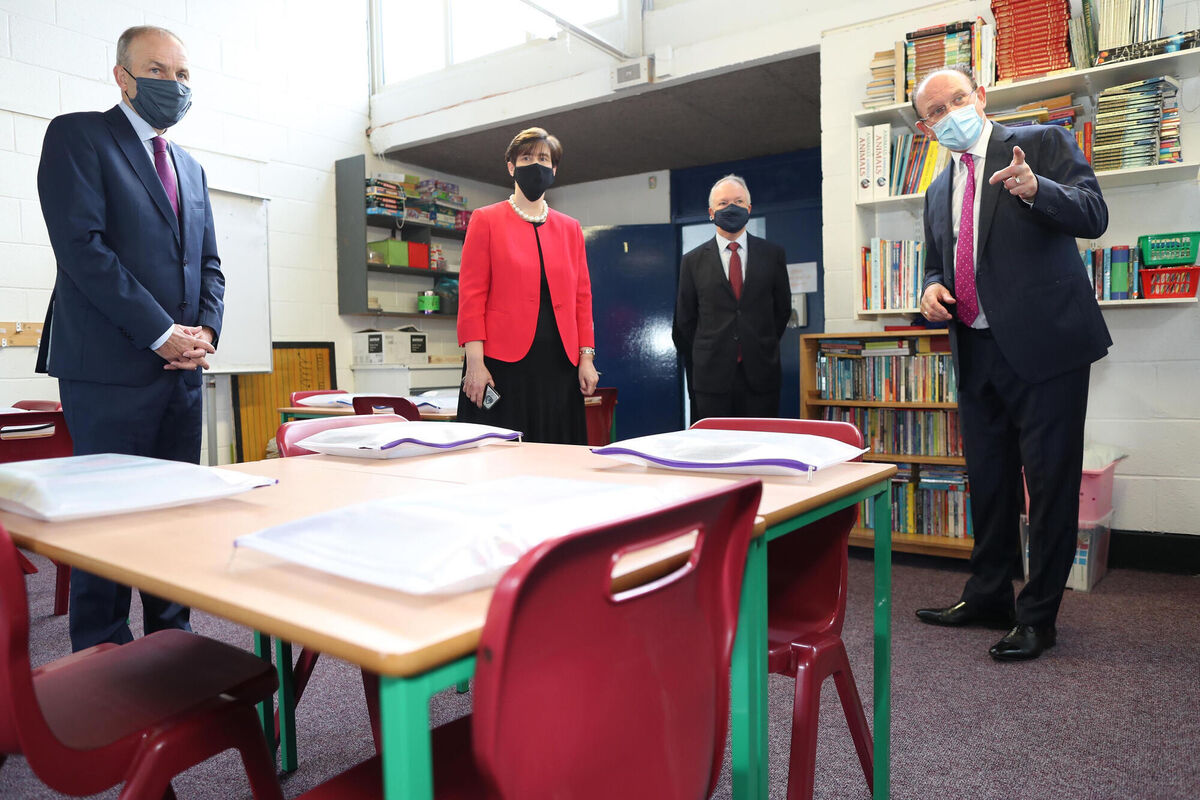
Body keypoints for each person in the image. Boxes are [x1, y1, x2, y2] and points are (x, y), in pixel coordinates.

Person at [911, 65, 1111, 661]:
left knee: (1049, 485)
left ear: (981, 97)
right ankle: (989, 594)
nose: (949, 115)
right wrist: (928, 289)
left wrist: (1036, 189)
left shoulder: (1042, 143)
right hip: (975, 349)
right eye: (934, 112)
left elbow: (1094, 216)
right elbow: (938, 265)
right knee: (991, 485)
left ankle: (1038, 616)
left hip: (1046, 348)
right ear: (924, 128)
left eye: (957, 100)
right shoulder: (936, 189)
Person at [36, 25, 224, 652]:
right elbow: (82, 250)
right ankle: (102, 654)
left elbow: (210, 265)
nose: (174, 85)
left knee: (172, 517)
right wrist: (160, 332)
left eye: (183, 74)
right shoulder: (79, 136)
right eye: (158, 71)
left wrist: (206, 332)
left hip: (182, 373)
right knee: (108, 524)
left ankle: (172, 642)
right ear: (122, 76)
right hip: (110, 371)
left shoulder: (191, 168)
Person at [456, 127, 599, 443]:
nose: (536, 164)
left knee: (559, 457)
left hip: (560, 366)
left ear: (554, 169)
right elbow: (471, 297)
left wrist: (586, 358)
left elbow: (582, 298)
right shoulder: (485, 219)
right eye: (526, 157)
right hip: (502, 366)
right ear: (511, 166)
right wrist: (475, 364)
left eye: (543, 158)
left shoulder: (571, 229)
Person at [672, 175, 791, 421]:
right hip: (710, 379)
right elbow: (684, 320)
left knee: (760, 450)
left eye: (738, 202)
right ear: (711, 212)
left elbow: (782, 311)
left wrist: (757, 342)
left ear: (749, 208)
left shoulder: (773, 255)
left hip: (761, 375)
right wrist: (707, 353)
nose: (731, 208)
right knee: (714, 452)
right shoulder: (692, 261)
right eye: (723, 203)